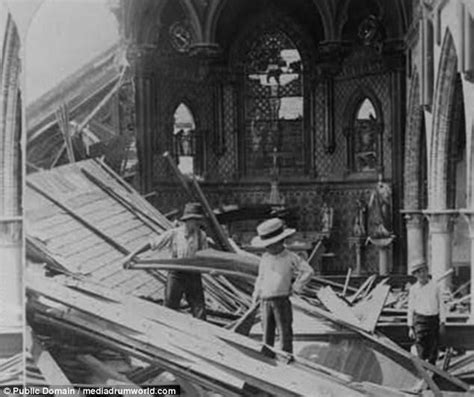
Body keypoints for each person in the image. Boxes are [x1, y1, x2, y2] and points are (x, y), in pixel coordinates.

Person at [122, 202, 208, 320]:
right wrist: (131, 255)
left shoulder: (201, 236)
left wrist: (212, 269)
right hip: (176, 274)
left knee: (200, 311)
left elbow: (206, 256)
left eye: (199, 220)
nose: (198, 223)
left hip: (193, 274)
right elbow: (152, 243)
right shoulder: (174, 234)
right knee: (169, 309)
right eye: (196, 220)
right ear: (188, 220)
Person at [251, 218, 314, 353]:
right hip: (265, 300)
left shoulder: (290, 257)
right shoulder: (265, 258)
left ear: (281, 241)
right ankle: (267, 357)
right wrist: (256, 294)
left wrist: (297, 286)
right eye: (267, 246)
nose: (269, 249)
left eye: (272, 245)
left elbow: (308, 271)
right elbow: (260, 278)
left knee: (284, 331)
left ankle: (286, 356)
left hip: (282, 300)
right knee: (267, 332)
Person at [407, 259, 446, 365]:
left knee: (433, 349)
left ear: (427, 271)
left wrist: (442, 322)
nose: (422, 274)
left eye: (424, 271)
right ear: (415, 275)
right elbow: (411, 308)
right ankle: (423, 372)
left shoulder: (435, 287)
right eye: (419, 272)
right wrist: (410, 327)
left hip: (433, 320)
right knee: (421, 348)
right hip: (420, 321)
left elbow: (441, 305)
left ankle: (432, 372)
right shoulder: (414, 289)